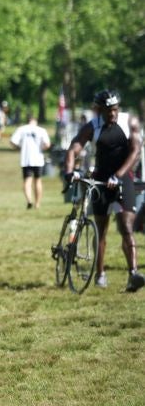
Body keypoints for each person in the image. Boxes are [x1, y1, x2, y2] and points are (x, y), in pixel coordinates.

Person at [63, 90, 145, 292]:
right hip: (100, 179)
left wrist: (118, 175)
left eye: (115, 109)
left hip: (122, 178)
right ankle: (100, 274)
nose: (112, 114)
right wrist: (69, 170)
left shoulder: (129, 122)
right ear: (98, 110)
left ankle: (133, 274)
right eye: (108, 110)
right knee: (101, 229)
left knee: (126, 225)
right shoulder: (92, 126)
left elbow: (135, 151)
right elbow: (74, 148)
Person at [9, 113, 51, 209]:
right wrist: (41, 148)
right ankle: (37, 203)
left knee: (27, 181)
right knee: (38, 181)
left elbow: (12, 142)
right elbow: (47, 144)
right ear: (35, 121)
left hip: (26, 159)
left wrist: (20, 147)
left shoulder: (21, 129)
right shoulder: (41, 130)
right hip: (38, 159)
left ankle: (29, 200)